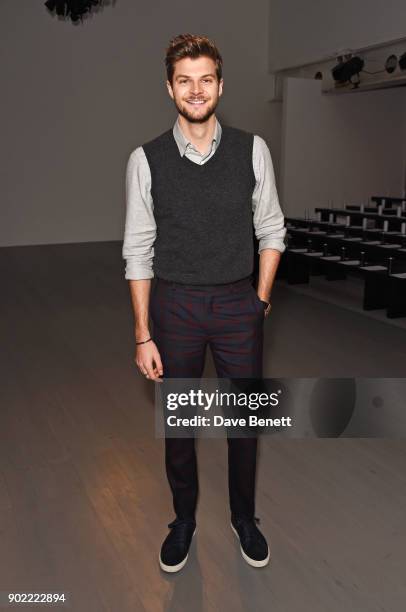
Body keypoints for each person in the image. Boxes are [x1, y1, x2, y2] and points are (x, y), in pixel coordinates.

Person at [122, 33, 286, 573]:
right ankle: (184, 521)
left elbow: (271, 229)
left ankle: (245, 518)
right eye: (185, 80)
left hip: (239, 303)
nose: (197, 90)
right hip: (176, 309)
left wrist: (258, 299)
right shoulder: (145, 160)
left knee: (245, 422)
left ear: (220, 84)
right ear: (170, 88)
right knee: (180, 426)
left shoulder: (251, 149)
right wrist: (143, 333)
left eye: (206, 79)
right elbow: (138, 251)